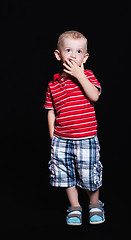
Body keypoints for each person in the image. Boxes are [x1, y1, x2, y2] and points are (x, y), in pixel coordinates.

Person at [44, 30, 105, 225]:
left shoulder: (87, 75)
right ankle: (75, 206)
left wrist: (80, 75)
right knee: (65, 174)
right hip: (62, 139)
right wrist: (53, 136)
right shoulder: (53, 84)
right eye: (68, 50)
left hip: (86, 137)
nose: (73, 55)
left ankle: (95, 204)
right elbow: (51, 111)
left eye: (78, 52)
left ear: (85, 57)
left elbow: (94, 96)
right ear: (58, 55)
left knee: (89, 173)